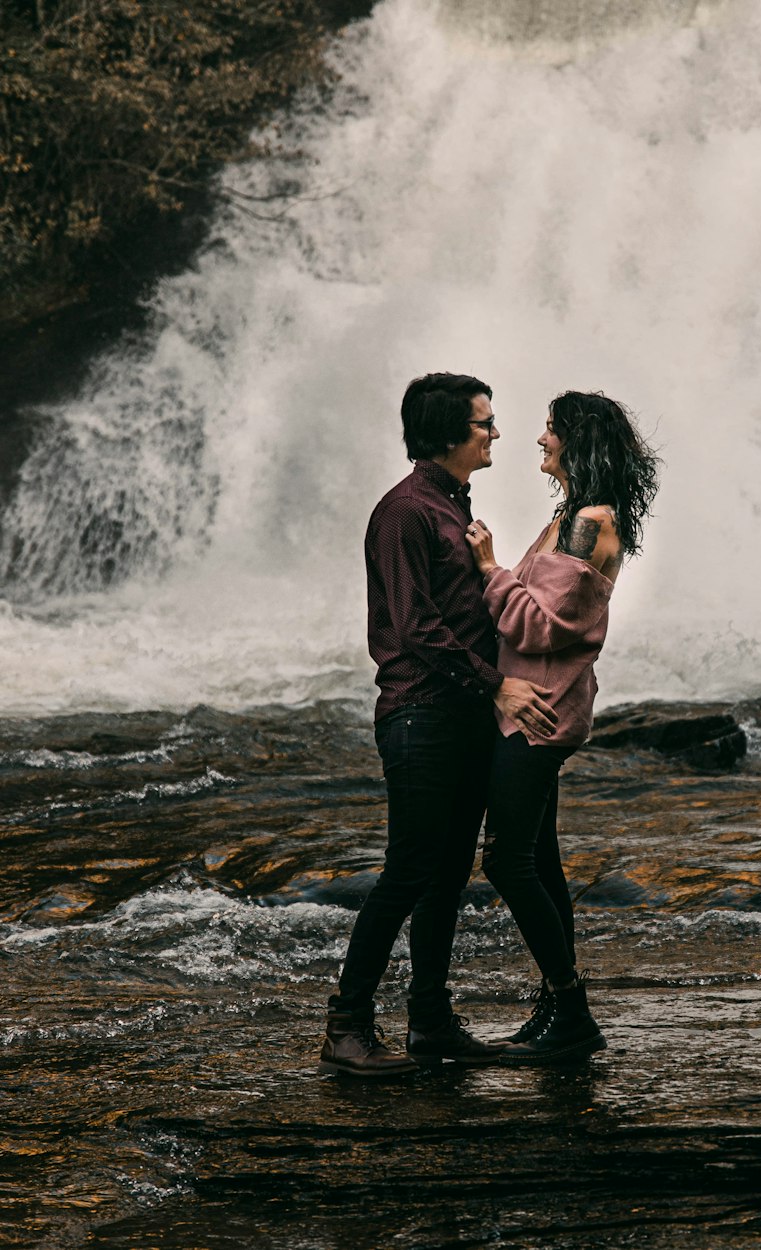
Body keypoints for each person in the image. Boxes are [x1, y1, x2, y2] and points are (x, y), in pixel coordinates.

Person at [319, 372, 559, 1078]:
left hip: (459, 719)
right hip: (420, 717)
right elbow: (416, 626)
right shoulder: (405, 513)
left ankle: (429, 1021)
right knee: (409, 872)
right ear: (449, 433)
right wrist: (500, 687)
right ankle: (347, 1024)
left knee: (448, 876)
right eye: (484, 423)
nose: (494, 433)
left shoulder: (454, 508)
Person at [465, 390, 659, 1064]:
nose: (540, 438)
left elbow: (541, 626)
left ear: (578, 442)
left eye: (551, 429)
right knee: (539, 861)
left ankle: (570, 1006)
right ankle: (555, 1007)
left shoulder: (586, 524)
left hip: (537, 713)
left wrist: (489, 567)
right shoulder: (571, 517)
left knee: (507, 861)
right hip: (537, 705)